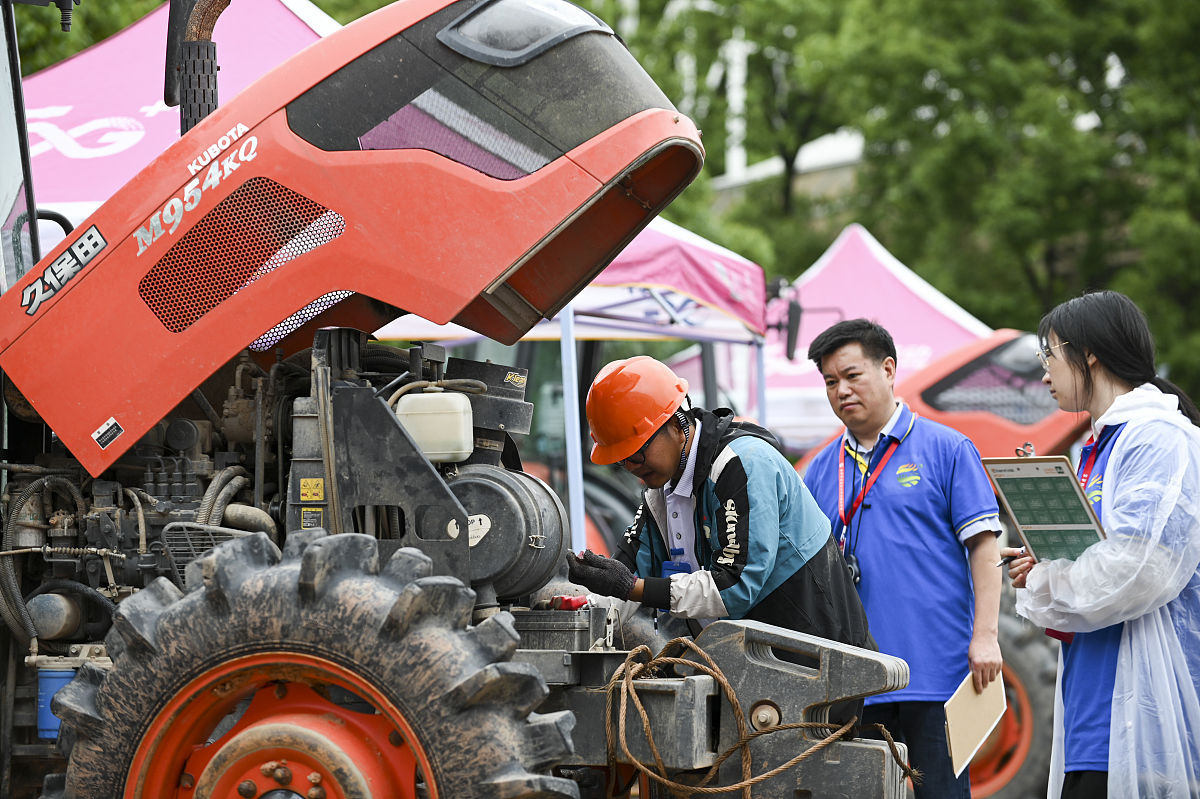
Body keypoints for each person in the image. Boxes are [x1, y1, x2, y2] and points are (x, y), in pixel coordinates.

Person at [1003, 290, 1200, 799]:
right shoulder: (1097, 442)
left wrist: (1048, 576)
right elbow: (1101, 553)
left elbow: (1135, 570)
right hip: (1094, 701)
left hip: (1143, 710)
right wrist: (1043, 559)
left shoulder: (1159, 437)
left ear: (1088, 352)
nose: (1044, 373)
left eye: (1048, 355)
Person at [802, 318, 1002, 799]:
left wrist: (987, 637)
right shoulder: (821, 468)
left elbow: (985, 546)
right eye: (831, 382)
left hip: (937, 675)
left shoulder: (947, 449)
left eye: (852, 375)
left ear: (888, 369)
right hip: (855, 681)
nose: (841, 391)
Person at [566, 355, 874, 655]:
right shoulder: (661, 487)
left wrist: (634, 588)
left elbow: (735, 585)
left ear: (676, 423)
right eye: (620, 461)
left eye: (635, 453)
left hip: (819, 658)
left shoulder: (742, 463)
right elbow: (625, 570)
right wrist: (585, 599)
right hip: (750, 660)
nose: (632, 467)